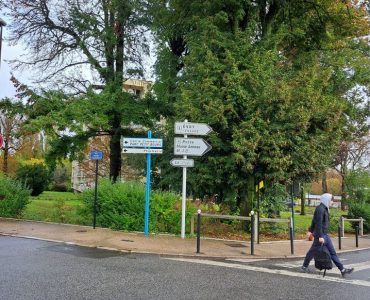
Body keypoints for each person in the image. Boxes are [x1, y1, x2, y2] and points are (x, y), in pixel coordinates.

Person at [301, 193, 354, 277]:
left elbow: (314, 221)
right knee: (312, 252)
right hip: (320, 236)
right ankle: (304, 267)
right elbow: (317, 223)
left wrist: (310, 231)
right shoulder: (320, 209)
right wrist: (320, 236)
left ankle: (342, 270)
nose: (332, 202)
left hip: (325, 235)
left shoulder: (324, 208)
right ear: (326, 200)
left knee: (332, 253)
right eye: (331, 200)